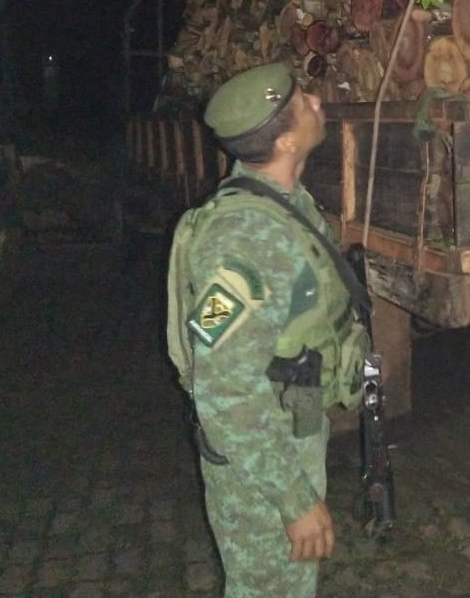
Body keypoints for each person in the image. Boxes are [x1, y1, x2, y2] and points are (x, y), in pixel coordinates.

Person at [165, 62, 371, 598]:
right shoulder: (245, 241)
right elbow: (224, 390)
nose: (318, 103)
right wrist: (294, 500)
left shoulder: (282, 202)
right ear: (284, 140)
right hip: (259, 466)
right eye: (304, 104)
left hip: (288, 434)